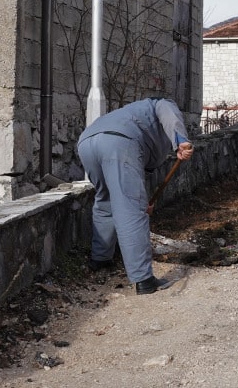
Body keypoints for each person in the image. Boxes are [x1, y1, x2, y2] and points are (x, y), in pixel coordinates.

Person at [77, 98, 194, 295]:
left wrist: (144, 201)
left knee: (105, 200)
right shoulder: (161, 103)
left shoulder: (133, 113)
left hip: (87, 142)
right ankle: (144, 279)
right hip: (119, 142)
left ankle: (100, 259)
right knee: (130, 209)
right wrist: (180, 140)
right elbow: (168, 111)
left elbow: (139, 174)